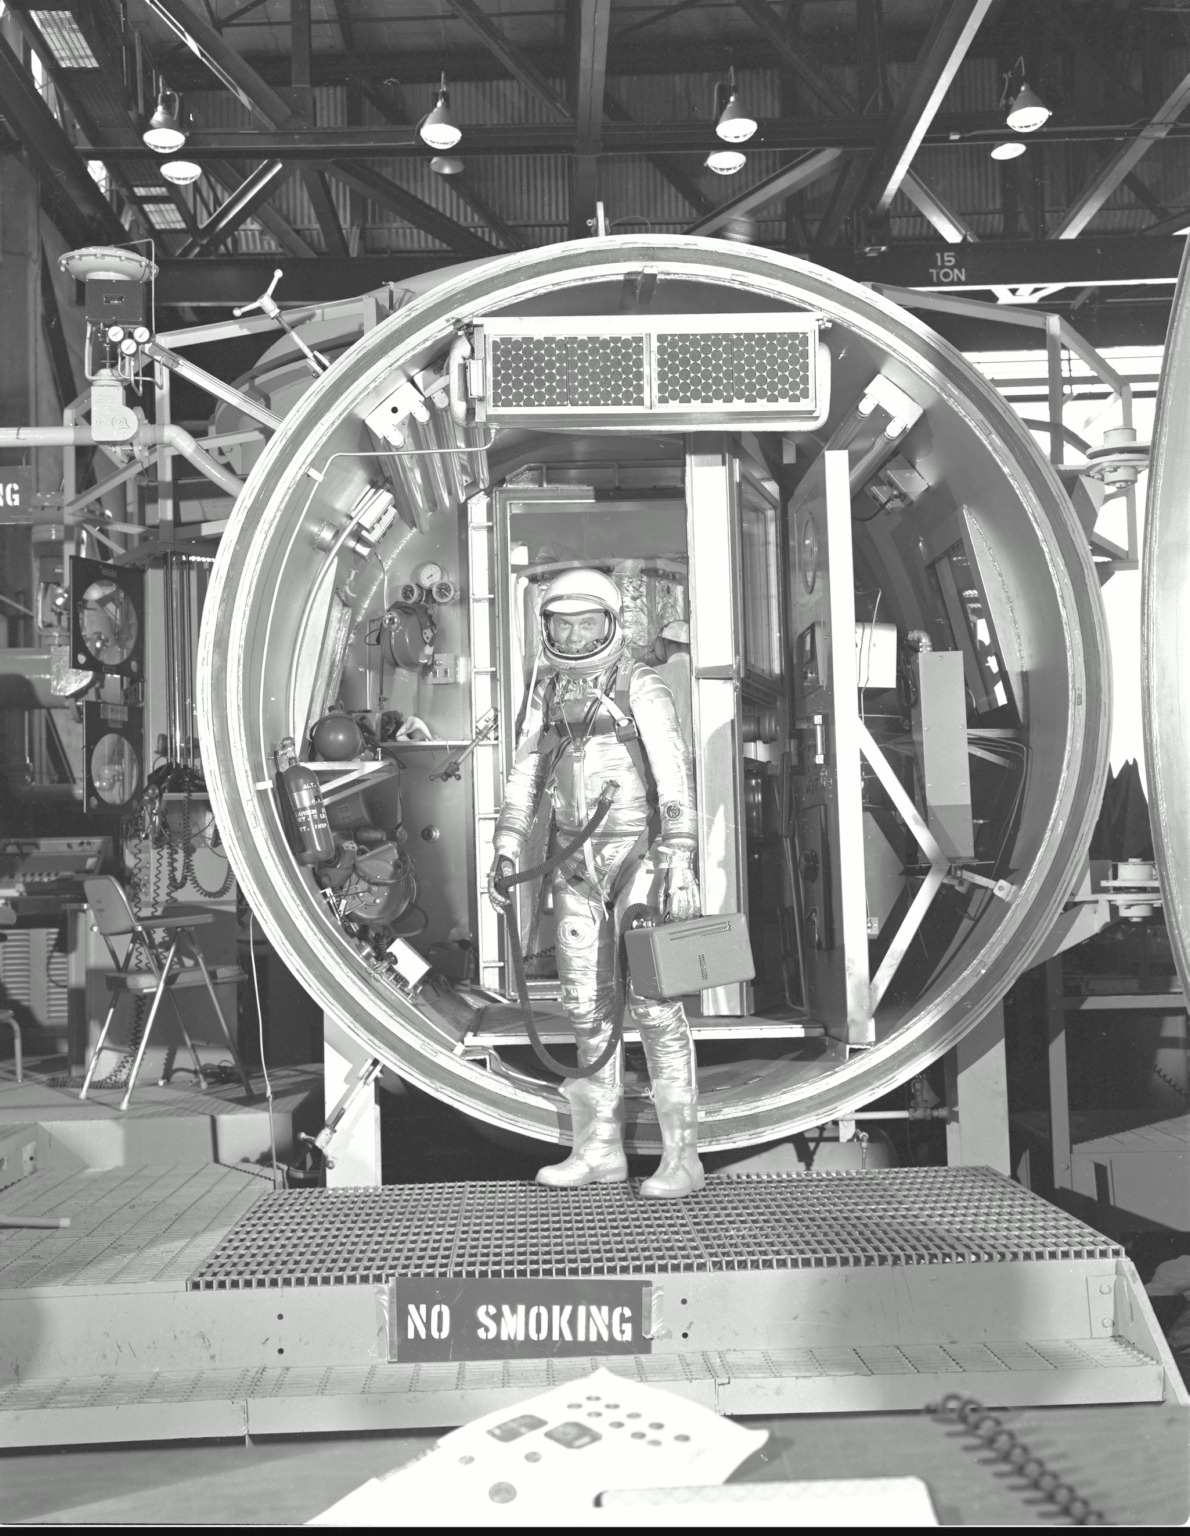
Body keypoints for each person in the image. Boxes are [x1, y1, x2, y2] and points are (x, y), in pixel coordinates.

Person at [488, 567, 704, 1198]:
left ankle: (681, 1159)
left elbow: (675, 774)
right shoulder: (546, 693)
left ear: (610, 624)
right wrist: (506, 845)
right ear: (547, 627)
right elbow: (525, 775)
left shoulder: (642, 685)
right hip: (575, 865)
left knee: (655, 1008)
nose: (576, 635)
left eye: (587, 623)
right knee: (585, 1009)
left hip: (641, 858)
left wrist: (680, 855)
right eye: (563, 623)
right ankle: (600, 1150)